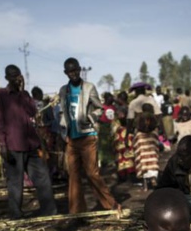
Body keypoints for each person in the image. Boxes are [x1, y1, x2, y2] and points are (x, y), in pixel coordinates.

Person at [0, 65, 57, 219]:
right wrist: (2, 144)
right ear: (7, 78)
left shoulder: (25, 95)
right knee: (15, 182)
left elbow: (33, 112)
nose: (17, 78)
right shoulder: (1, 95)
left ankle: (49, 210)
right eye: (13, 76)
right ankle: (16, 214)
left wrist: (22, 91)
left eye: (19, 75)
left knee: (42, 177)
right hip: (13, 145)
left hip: (31, 144)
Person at [58, 57, 120, 214]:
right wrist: (63, 131)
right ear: (66, 73)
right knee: (73, 176)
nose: (74, 73)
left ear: (80, 69)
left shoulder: (88, 88)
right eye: (70, 71)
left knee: (92, 173)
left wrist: (89, 118)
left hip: (87, 137)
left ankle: (111, 205)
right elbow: (62, 112)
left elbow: (99, 108)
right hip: (71, 139)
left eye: (76, 70)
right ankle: (77, 213)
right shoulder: (63, 91)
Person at [133, 112, 161, 188]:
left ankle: (150, 181)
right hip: (147, 155)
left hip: (148, 155)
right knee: (147, 167)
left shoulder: (152, 132)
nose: (147, 122)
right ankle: (149, 182)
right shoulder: (140, 134)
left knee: (148, 167)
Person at [113, 107, 136, 182]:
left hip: (127, 144)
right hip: (119, 145)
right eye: (119, 114)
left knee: (129, 159)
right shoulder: (116, 123)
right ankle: (122, 176)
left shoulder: (129, 122)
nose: (120, 115)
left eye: (121, 114)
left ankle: (131, 176)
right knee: (120, 160)